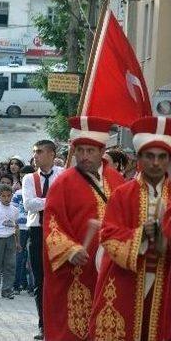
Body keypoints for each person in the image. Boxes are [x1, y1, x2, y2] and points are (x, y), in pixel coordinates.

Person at [42, 116, 125, 341]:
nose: (85, 156)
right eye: (80, 150)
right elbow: (52, 224)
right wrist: (70, 249)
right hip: (76, 271)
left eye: (90, 150)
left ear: (102, 150)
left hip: (110, 270)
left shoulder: (118, 182)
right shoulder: (63, 183)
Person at [89, 116, 171, 340]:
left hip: (165, 280)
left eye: (161, 157)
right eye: (149, 156)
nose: (155, 162)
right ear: (139, 160)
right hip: (128, 278)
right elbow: (108, 233)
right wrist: (141, 235)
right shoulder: (123, 195)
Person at [22, 139, 64, 340]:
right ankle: (44, 326)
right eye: (34, 151)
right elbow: (29, 204)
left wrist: (46, 202)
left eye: (39, 151)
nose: (35, 155)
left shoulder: (63, 175)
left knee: (58, 279)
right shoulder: (29, 178)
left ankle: (59, 324)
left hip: (59, 232)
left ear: (51, 155)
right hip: (37, 231)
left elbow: (67, 202)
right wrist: (53, 200)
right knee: (40, 280)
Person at [13, 165, 35, 294]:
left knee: (31, 257)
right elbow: (14, 210)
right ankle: (18, 284)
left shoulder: (35, 191)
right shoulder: (17, 193)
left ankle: (31, 286)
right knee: (19, 256)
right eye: (22, 177)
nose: (24, 179)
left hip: (32, 225)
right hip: (21, 227)